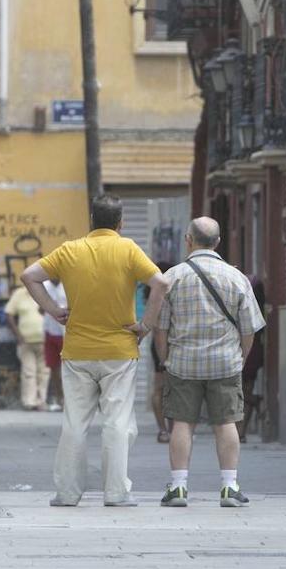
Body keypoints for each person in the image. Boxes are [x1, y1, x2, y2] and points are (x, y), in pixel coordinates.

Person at [20, 194, 169, 507]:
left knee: (75, 422)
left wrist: (53, 309)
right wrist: (146, 324)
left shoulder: (70, 250)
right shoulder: (128, 249)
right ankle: (116, 493)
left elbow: (29, 276)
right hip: (119, 351)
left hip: (77, 351)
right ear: (120, 222)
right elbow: (160, 283)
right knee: (117, 421)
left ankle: (68, 493)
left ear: (91, 220)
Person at [143, 217, 266, 509]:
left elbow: (161, 328)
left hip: (183, 362)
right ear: (218, 242)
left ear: (189, 240)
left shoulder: (172, 276)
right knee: (226, 423)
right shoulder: (237, 278)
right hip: (225, 363)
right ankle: (229, 487)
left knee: (182, 424)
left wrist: (165, 359)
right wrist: (240, 358)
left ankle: (178, 488)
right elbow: (250, 330)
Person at [4, 284, 47, 411]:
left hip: (44, 340)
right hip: (25, 341)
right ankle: (29, 402)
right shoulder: (19, 294)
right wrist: (18, 335)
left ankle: (41, 401)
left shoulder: (45, 291)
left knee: (44, 373)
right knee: (29, 372)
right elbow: (8, 314)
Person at [236, 277, 267, 443]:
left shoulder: (242, 303)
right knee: (245, 390)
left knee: (238, 393)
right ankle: (241, 432)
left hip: (241, 350)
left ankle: (255, 401)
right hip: (255, 352)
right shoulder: (259, 309)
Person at [145, 264, 173, 443]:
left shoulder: (152, 294)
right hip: (169, 343)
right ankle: (169, 429)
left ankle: (164, 430)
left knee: (160, 387)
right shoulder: (167, 292)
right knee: (170, 388)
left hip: (158, 344)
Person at [42, 279, 67, 412]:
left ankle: (69, 400)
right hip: (50, 330)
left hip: (66, 332)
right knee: (54, 367)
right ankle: (59, 399)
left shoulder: (68, 283)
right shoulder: (43, 285)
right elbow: (40, 308)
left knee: (70, 368)